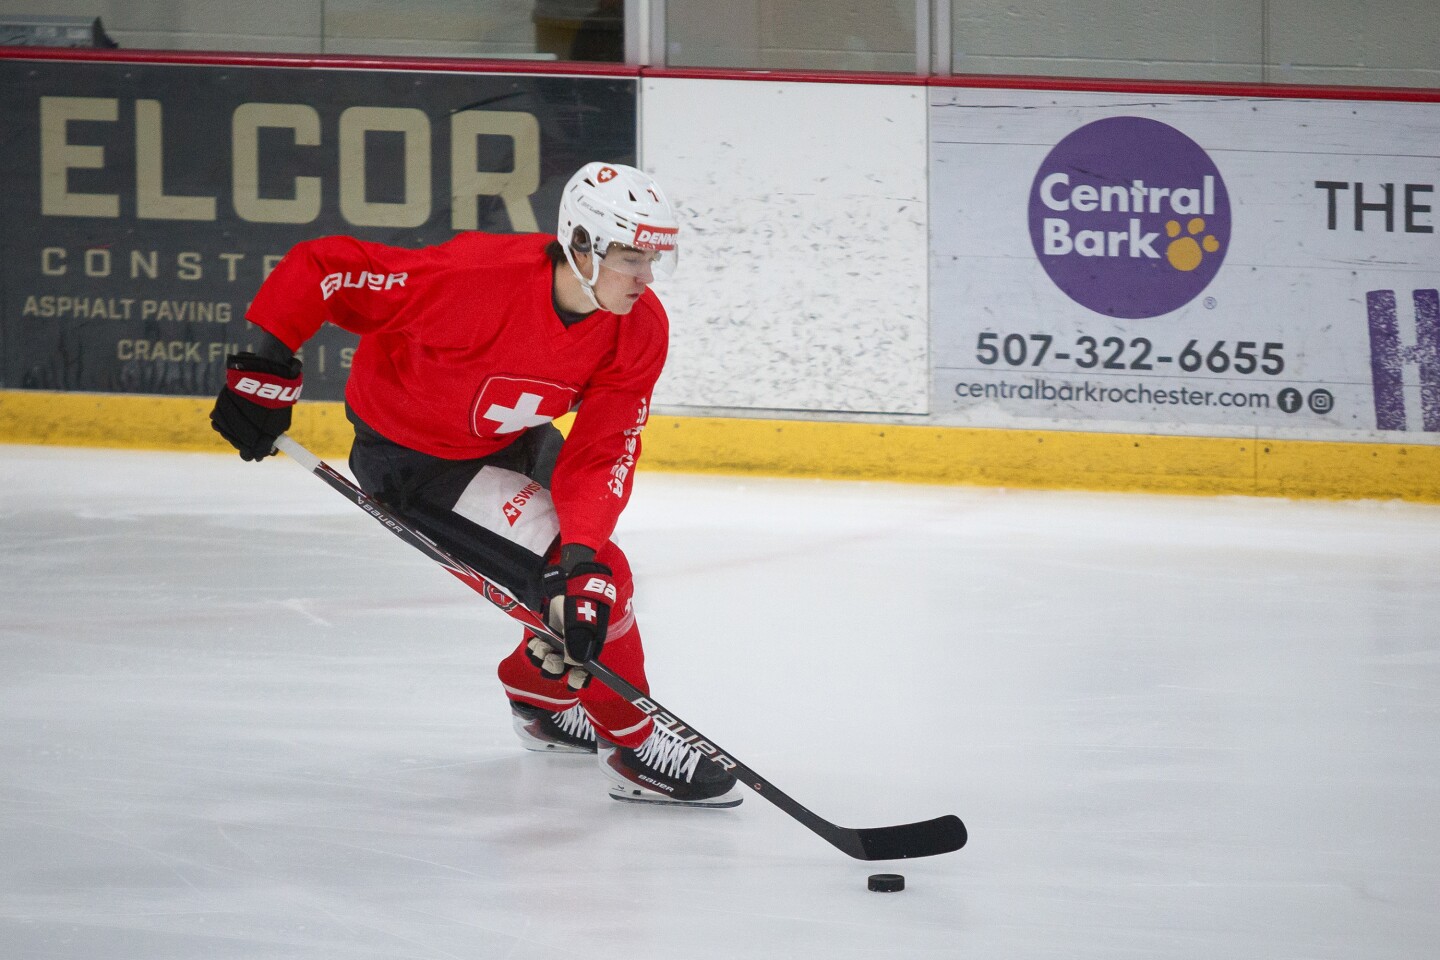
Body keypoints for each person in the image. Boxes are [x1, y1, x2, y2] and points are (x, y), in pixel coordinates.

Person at [209, 162, 740, 808]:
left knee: (582, 583)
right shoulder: (471, 282)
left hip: (511, 439)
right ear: (580, 247)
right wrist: (264, 365)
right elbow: (324, 269)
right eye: (632, 257)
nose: (647, 278)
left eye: (654, 258)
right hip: (415, 461)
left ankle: (542, 699)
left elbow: (602, 454)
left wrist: (579, 561)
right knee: (597, 577)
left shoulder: (638, 327)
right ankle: (631, 745)